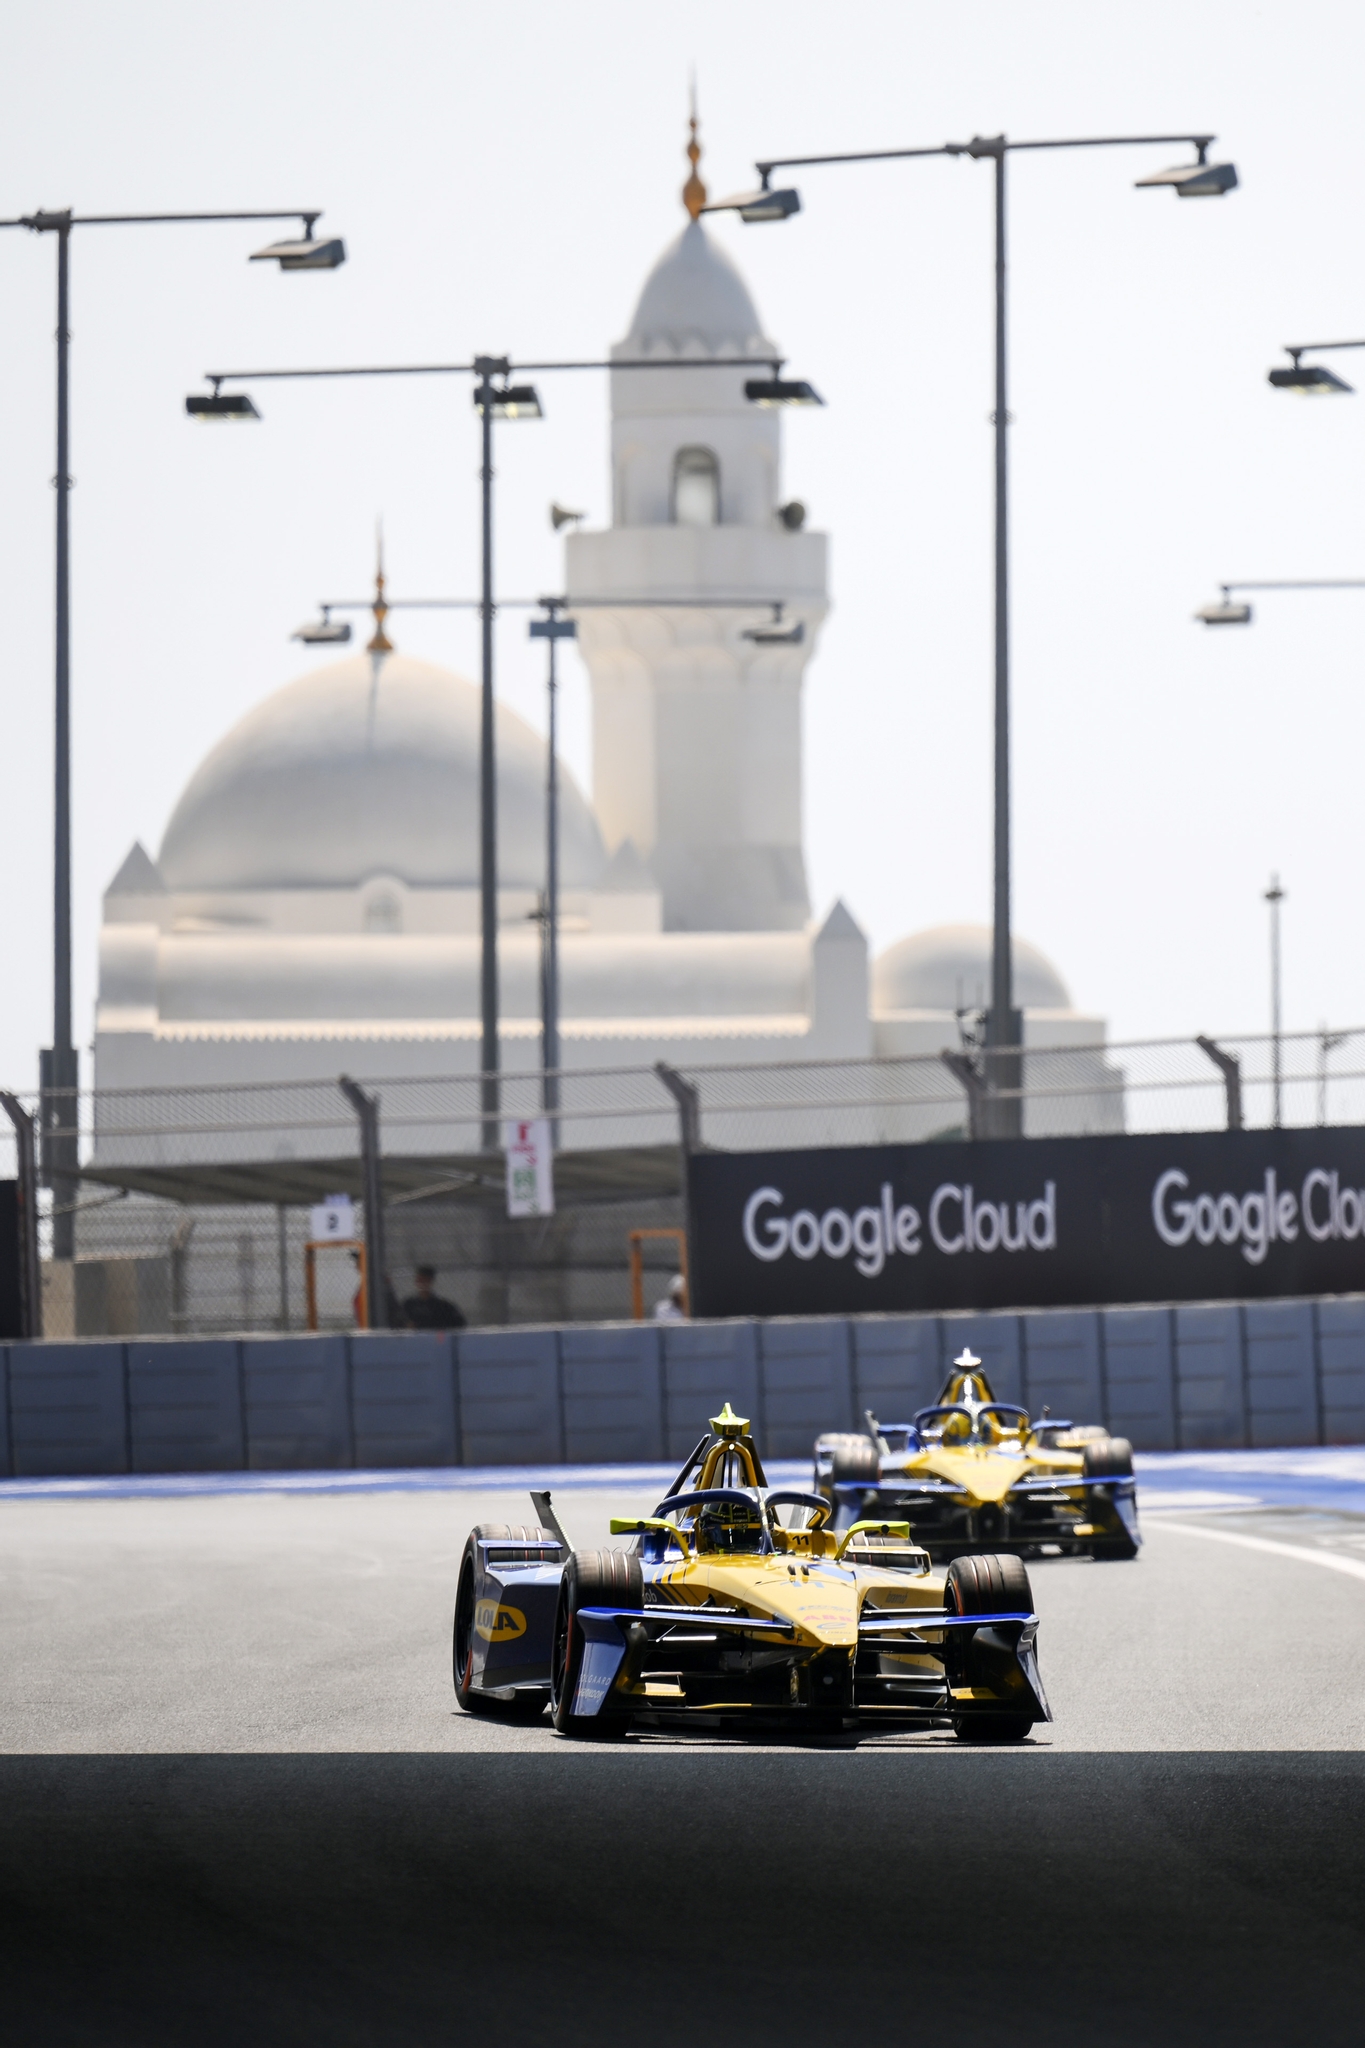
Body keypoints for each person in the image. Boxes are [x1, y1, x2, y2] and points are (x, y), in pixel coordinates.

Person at [400, 1264, 466, 1330]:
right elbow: (398, 1322)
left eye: (425, 1280)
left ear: (431, 1281)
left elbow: (460, 1323)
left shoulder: (443, 1306)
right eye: (420, 1280)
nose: (422, 1283)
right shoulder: (409, 1304)